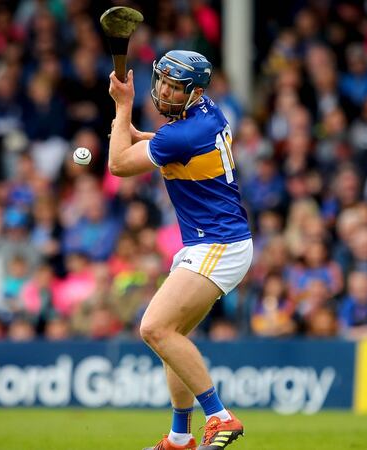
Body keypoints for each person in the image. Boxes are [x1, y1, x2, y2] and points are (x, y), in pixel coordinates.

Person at [108, 50, 252, 450]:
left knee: (153, 327)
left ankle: (221, 417)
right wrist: (142, 135)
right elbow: (172, 143)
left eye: (176, 87)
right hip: (215, 241)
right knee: (171, 337)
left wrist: (122, 107)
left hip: (218, 243)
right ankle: (179, 437)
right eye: (163, 82)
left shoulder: (181, 134)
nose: (165, 91)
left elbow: (118, 165)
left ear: (196, 92)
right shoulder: (206, 113)